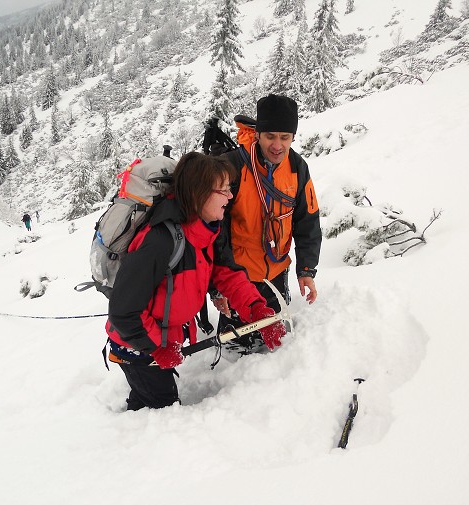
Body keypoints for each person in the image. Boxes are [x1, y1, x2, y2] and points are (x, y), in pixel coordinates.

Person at [105, 152, 286, 410]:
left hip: (159, 341)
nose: (230, 196)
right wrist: (156, 348)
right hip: (138, 347)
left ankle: (130, 417)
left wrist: (257, 309)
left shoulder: (206, 231)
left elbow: (227, 275)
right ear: (200, 194)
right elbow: (123, 311)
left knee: (147, 404)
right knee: (162, 410)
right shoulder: (160, 242)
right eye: (223, 189)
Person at [213, 94, 322, 354]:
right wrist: (220, 287)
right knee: (236, 354)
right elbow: (215, 233)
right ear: (258, 134)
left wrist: (306, 269)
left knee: (277, 347)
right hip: (238, 278)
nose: (277, 145)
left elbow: (308, 219)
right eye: (270, 136)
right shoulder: (232, 167)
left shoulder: (297, 167)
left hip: (277, 273)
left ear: (293, 137)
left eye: (285, 137)